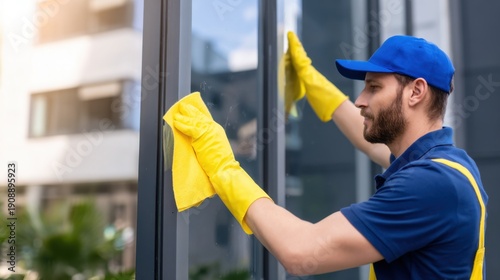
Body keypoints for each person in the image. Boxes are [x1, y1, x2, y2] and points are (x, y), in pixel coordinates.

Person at [172, 32, 487, 279]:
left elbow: (300, 251)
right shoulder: (450, 165)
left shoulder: (430, 185)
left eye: (374, 88)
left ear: (416, 92)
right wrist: (313, 83)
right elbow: (370, 144)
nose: (361, 100)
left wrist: (223, 167)